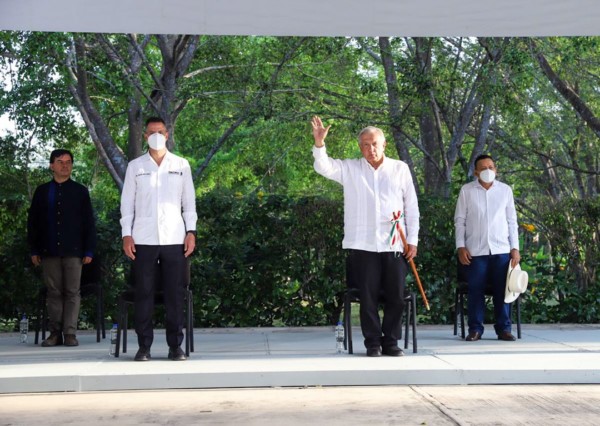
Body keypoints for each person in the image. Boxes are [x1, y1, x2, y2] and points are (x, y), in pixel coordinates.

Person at [311, 116, 419, 357]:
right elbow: (324, 167)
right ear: (360, 148)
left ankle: (391, 342)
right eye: (365, 145)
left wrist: (413, 240)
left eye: (374, 144)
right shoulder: (350, 168)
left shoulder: (399, 168)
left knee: (397, 297)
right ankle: (372, 343)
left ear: (384, 144)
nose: (371, 149)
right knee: (367, 298)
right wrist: (319, 144)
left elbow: (411, 206)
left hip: (394, 244)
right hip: (362, 244)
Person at [120, 117, 197, 361]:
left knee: (175, 294)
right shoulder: (136, 166)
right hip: (143, 239)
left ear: (167, 134)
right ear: (145, 136)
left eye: (160, 131)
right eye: (151, 132)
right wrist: (126, 234)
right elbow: (127, 204)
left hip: (175, 237)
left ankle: (176, 346)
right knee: (144, 293)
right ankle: (144, 346)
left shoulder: (181, 164)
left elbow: (189, 203)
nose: (156, 135)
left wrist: (191, 232)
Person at [27, 149, 97, 347]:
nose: (64, 165)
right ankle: (55, 333)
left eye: (68, 162)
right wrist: (34, 249)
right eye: (60, 162)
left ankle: (70, 333)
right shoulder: (42, 191)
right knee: (54, 292)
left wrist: (89, 250)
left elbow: (88, 223)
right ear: (52, 165)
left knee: (73, 292)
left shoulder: (80, 191)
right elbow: (33, 223)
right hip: (48, 250)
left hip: (74, 251)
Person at [454, 154, 520, 342]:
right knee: (475, 290)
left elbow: (512, 221)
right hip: (475, 251)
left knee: (503, 290)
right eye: (483, 168)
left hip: (501, 250)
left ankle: (504, 329)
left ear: (496, 169)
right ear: (476, 172)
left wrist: (515, 248)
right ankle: (475, 329)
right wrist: (461, 246)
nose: (488, 171)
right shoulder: (467, 191)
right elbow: (460, 220)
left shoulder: (505, 191)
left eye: (491, 167)